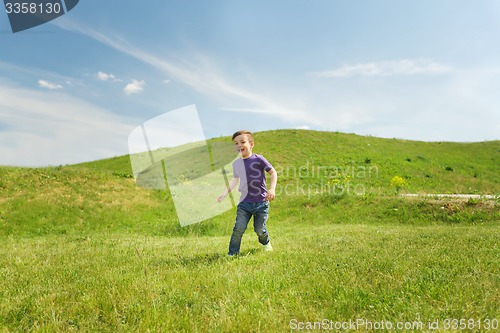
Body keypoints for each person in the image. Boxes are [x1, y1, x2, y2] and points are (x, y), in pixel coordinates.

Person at [217, 130, 277, 256]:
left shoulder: (259, 159)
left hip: (261, 202)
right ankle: (232, 253)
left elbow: (273, 173)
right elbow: (235, 180)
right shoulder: (236, 164)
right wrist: (224, 194)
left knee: (260, 229)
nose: (239, 145)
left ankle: (266, 243)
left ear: (251, 144)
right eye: (236, 143)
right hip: (244, 203)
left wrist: (271, 189)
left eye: (242, 142)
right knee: (238, 228)